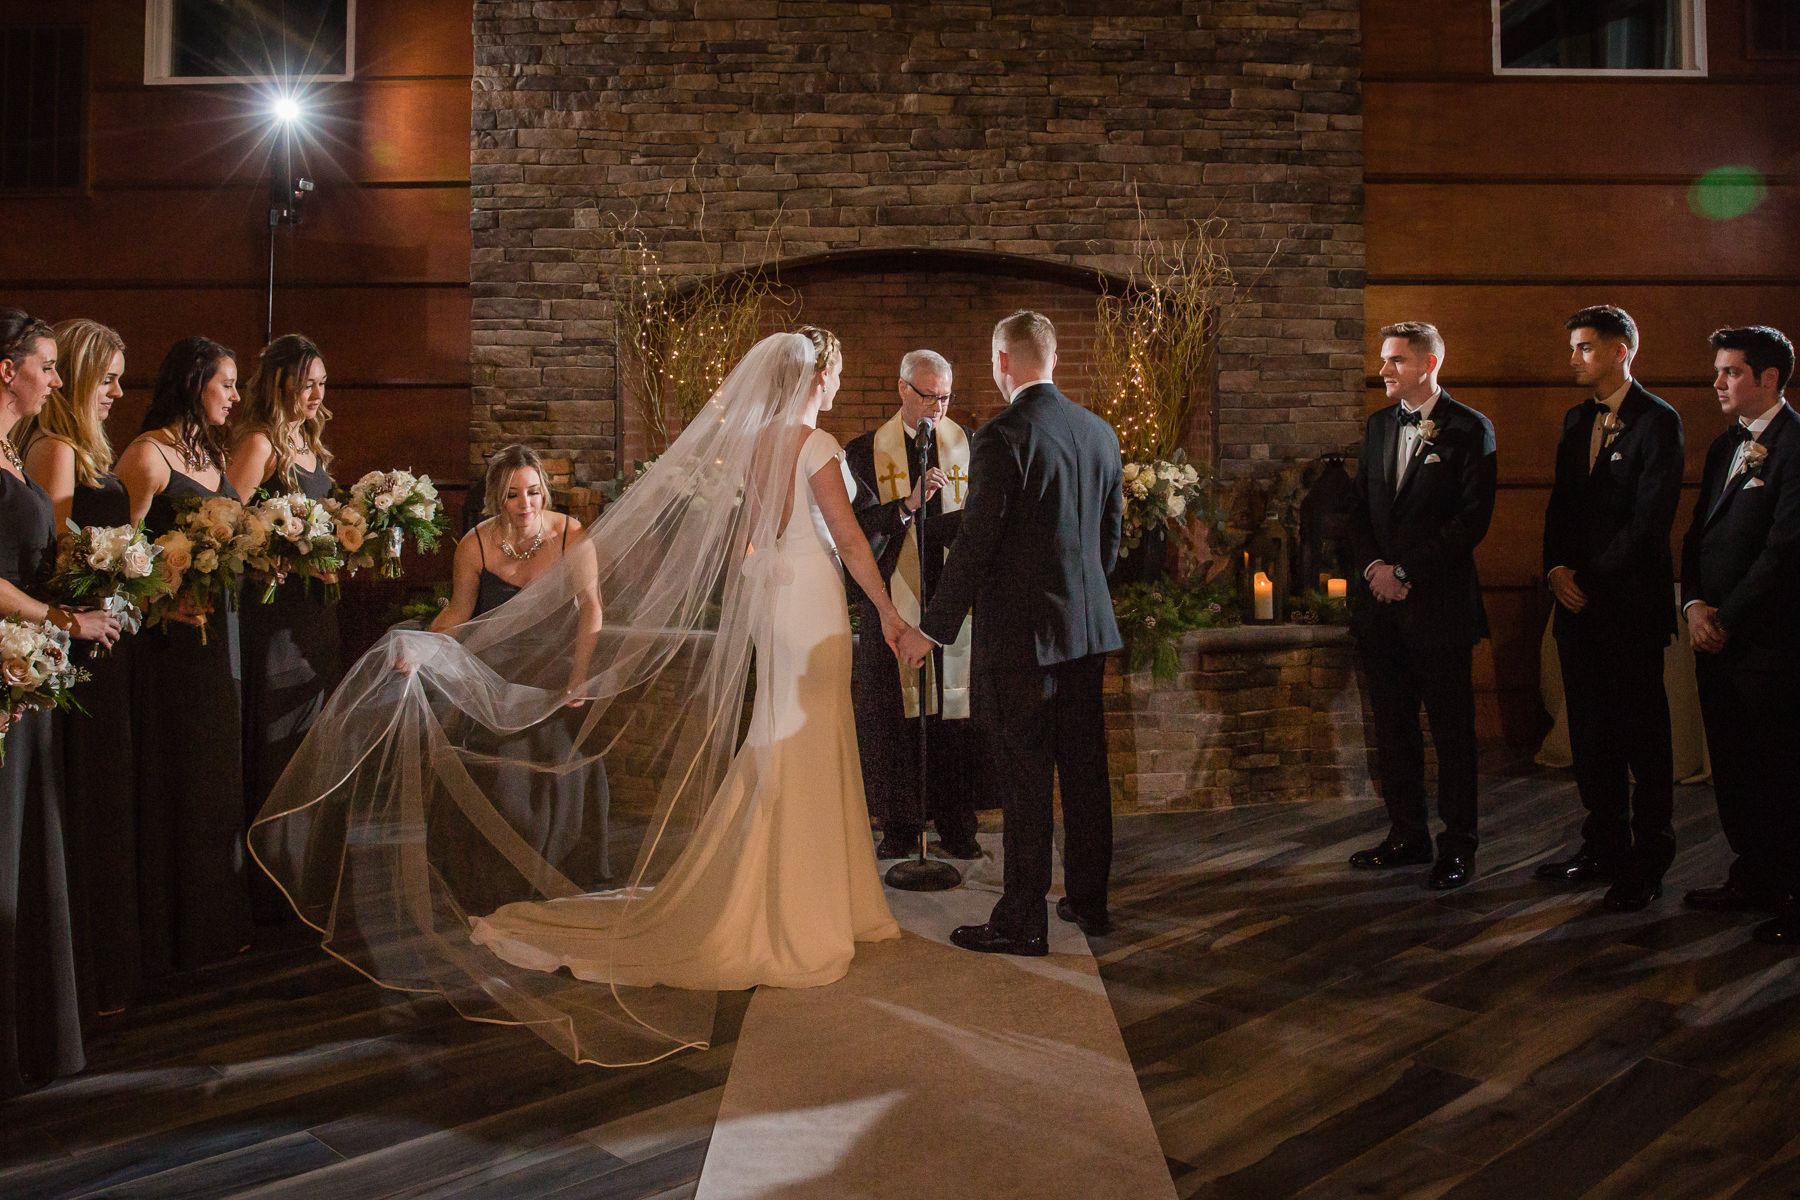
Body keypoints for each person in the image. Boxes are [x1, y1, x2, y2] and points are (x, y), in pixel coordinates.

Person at [252, 328, 907, 1066]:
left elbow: (752, 541)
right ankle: (809, 909)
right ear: (819, 376)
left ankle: (808, 896)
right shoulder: (814, 446)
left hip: (778, 609)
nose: (840, 386)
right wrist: (889, 614)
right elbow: (850, 543)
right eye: (837, 374)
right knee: (806, 740)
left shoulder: (756, 447)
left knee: (783, 742)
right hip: (812, 601)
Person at [897, 310, 1124, 955]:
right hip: (1087, 634)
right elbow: (1108, 545)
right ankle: (1089, 901)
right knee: (1085, 773)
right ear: (1052, 357)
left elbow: (975, 546)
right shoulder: (1099, 433)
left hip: (1022, 642)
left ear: (1003, 361)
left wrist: (931, 632)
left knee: (1025, 779)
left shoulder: (1003, 437)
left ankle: (1022, 920)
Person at [0, 307, 120, 1097]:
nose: (53, 379)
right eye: (43, 365)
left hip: (27, 671)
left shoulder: (12, 453)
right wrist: (64, 619)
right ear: (6, 368)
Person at [1535, 305, 1684, 913]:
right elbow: (1559, 509)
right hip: (1576, 604)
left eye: (1586, 347)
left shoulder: (1658, 421)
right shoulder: (1575, 419)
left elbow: (1650, 521)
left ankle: (1649, 859)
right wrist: (1555, 571)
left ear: (1623, 350)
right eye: (1572, 346)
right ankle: (1603, 844)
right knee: (1591, 732)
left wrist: (1589, 577)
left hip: (1629, 605)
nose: (1574, 357)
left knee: (1642, 736)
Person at [423, 443, 610, 913]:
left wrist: (580, 676)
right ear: (496, 499)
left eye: (532, 492)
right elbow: (459, 612)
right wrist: (421, 645)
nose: (525, 505)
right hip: (495, 677)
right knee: (502, 781)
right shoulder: (476, 544)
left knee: (561, 763)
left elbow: (592, 610)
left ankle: (557, 871)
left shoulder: (572, 536)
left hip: (554, 670)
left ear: (543, 491)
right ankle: (499, 879)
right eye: (512, 495)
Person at [117, 336, 254, 974]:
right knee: (182, 777)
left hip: (218, 632)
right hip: (169, 646)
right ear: (195, 383)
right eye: (225, 383)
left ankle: (216, 926)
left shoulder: (208, 452)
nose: (234, 395)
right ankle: (175, 937)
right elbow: (114, 562)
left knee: (218, 777)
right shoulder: (147, 457)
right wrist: (161, 604)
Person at [1345, 322, 1497, 890]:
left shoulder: (1470, 429)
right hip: (1381, 612)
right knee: (1394, 729)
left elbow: (1470, 523)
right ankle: (1407, 833)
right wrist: (1374, 572)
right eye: (1384, 360)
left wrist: (1404, 572)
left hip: (1439, 610)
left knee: (1452, 733)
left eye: (1395, 361)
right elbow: (1360, 511)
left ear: (1428, 365)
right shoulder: (1379, 426)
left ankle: (1460, 845)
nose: (1383, 370)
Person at [21, 318, 143, 1013]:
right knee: (88, 796)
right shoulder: (56, 449)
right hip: (77, 639)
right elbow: (55, 558)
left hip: (104, 634)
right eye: (108, 379)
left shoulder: (87, 449)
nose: (117, 392)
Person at [1676, 326, 1800, 946]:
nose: (1718, 382)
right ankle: (1752, 875)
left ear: (1769, 379)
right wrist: (1694, 603)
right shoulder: (1727, 445)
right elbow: (1696, 536)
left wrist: (1725, 619)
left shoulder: (1796, 446)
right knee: (1735, 769)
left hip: (1771, 647)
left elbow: (1785, 551)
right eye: (1718, 370)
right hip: (1715, 638)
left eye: (1731, 372)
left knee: (1782, 773)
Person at [845, 349, 982, 861]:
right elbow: (856, 538)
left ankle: (956, 824)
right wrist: (907, 506)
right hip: (892, 602)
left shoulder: (966, 446)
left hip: (950, 603)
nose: (939, 409)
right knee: (894, 717)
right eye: (929, 396)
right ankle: (901, 825)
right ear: (902, 389)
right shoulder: (864, 453)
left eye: (946, 397)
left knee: (953, 717)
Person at [229, 335, 342, 921]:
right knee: (277, 745)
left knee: (309, 738)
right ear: (279, 384)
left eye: (322, 381)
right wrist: (276, 556)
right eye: (307, 383)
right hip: (272, 615)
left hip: (313, 615)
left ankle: (305, 876)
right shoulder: (258, 442)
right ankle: (271, 888)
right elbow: (221, 528)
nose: (317, 393)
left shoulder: (309, 445)